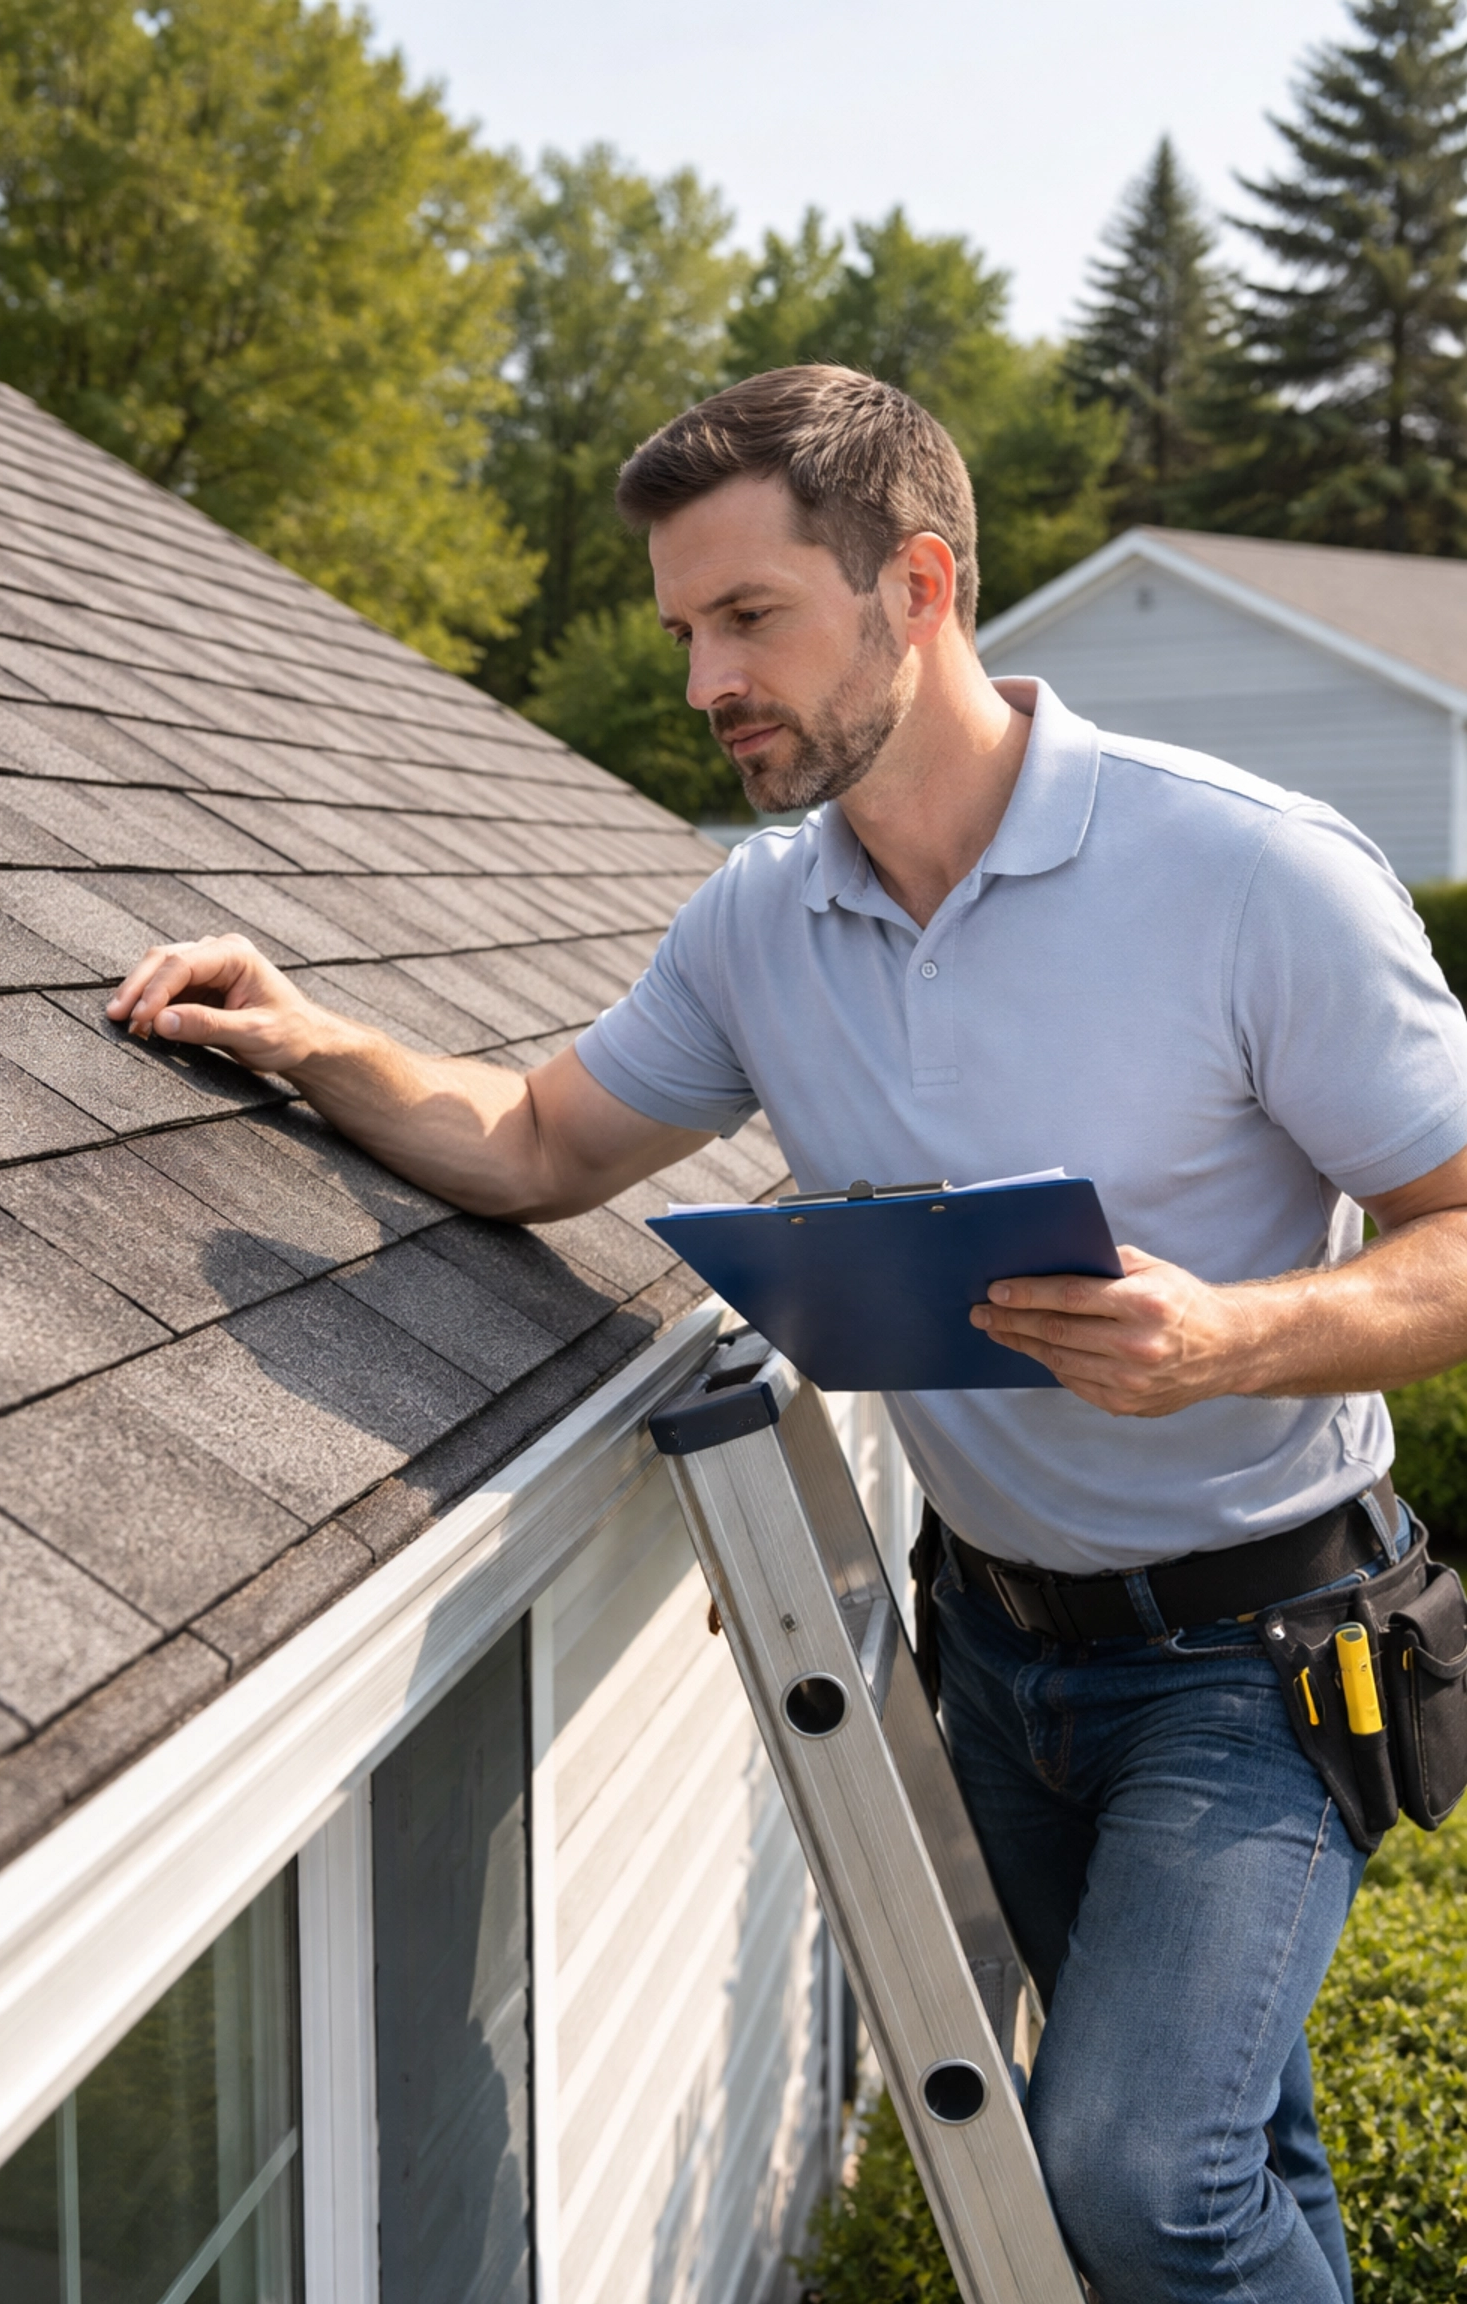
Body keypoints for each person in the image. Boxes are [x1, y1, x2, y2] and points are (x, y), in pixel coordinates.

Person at [109, 366, 1467, 2303]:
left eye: (748, 619)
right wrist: (300, 1029)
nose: (698, 682)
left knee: (1138, 2173)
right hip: (993, 1652)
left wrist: (1230, 1338)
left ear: (916, 585)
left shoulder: (1252, 879)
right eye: (683, 629)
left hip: (1257, 1658)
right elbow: (540, 1135)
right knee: (1231, 2158)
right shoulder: (760, 925)